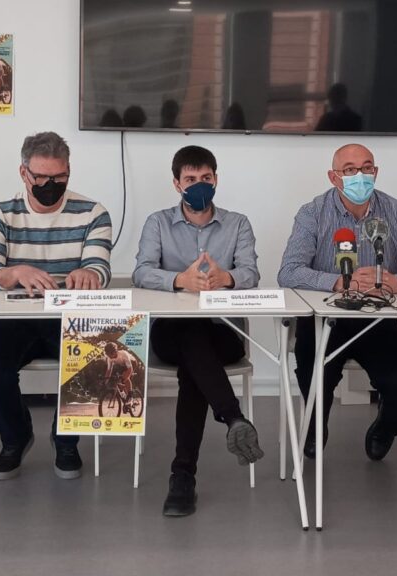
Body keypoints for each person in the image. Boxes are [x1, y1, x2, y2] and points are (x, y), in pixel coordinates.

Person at [277, 143, 397, 462]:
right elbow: (289, 271)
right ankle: (314, 425)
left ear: (375, 173)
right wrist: (339, 282)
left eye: (367, 168)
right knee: (315, 377)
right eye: (350, 170)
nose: (360, 176)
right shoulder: (312, 213)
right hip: (324, 320)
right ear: (334, 177)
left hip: (377, 319)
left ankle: (384, 428)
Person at [0, 132, 112, 480]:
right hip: (13, 317)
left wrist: (89, 274)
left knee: (100, 354)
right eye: (42, 178)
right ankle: (15, 436)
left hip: (71, 317)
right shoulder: (0, 214)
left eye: (59, 178)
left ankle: (67, 440)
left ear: (69, 171)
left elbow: (100, 269)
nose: (51, 185)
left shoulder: (93, 212)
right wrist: (14, 272)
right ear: (24, 173)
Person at [133, 145, 264, 517]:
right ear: (177, 184)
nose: (199, 185)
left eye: (206, 178)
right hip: (168, 335)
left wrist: (227, 277)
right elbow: (141, 271)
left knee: (196, 360)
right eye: (190, 179)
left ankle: (183, 476)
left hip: (224, 333)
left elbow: (251, 273)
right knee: (190, 339)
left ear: (216, 180)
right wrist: (180, 280)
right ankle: (231, 417)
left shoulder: (238, 223)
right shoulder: (157, 223)